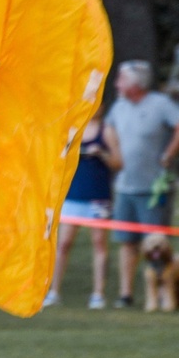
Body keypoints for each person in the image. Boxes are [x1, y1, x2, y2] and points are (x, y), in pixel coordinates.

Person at [105, 61, 179, 308]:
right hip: (125, 187)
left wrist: (168, 155)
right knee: (126, 241)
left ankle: (165, 295)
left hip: (153, 189)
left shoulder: (159, 104)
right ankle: (126, 295)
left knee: (157, 246)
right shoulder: (119, 106)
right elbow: (109, 127)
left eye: (121, 80)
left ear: (136, 84)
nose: (117, 84)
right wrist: (115, 152)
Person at [42, 110, 121, 310]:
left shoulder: (107, 131)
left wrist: (101, 154)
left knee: (99, 244)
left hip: (98, 197)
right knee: (63, 244)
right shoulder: (73, 130)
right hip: (73, 196)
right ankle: (53, 291)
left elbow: (118, 163)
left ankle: (98, 294)